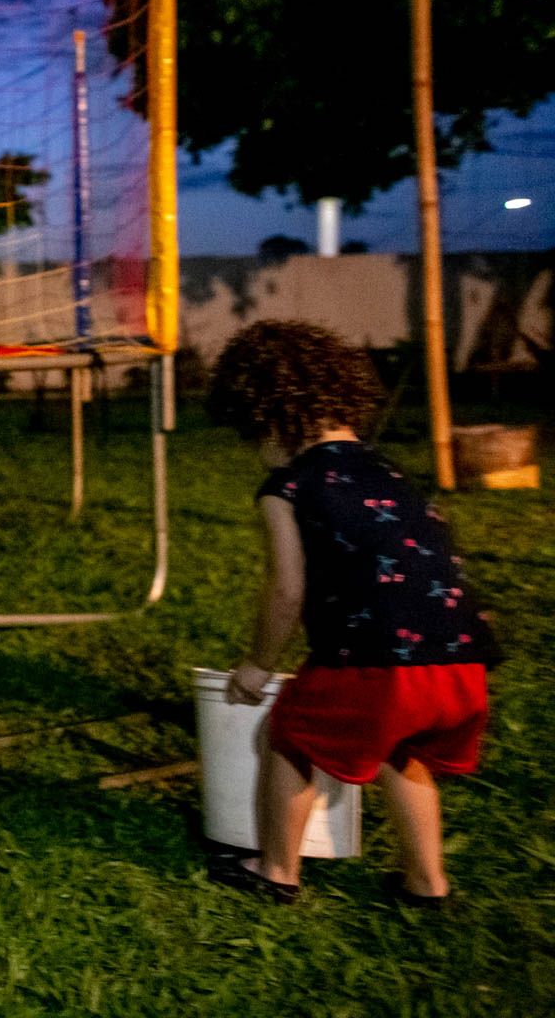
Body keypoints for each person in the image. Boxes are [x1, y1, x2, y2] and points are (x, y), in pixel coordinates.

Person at [206, 320, 500, 907]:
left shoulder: (289, 486)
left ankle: (275, 870)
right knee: (399, 748)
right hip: (460, 660)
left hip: (374, 664)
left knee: (290, 736)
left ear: (268, 419)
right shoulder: (389, 470)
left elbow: (286, 590)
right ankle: (427, 884)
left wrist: (258, 663)